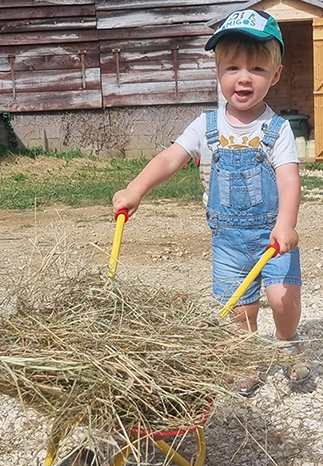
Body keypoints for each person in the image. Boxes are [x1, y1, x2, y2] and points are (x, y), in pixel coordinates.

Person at [112, 9, 309, 396]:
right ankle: (247, 357)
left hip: (273, 237)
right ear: (218, 71)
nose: (244, 78)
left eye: (257, 69)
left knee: (282, 299)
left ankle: (287, 341)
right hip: (228, 241)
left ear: (276, 74)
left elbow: (289, 179)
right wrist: (136, 189)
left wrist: (286, 223)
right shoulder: (205, 126)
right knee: (239, 310)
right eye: (233, 67)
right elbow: (170, 157)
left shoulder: (277, 129)